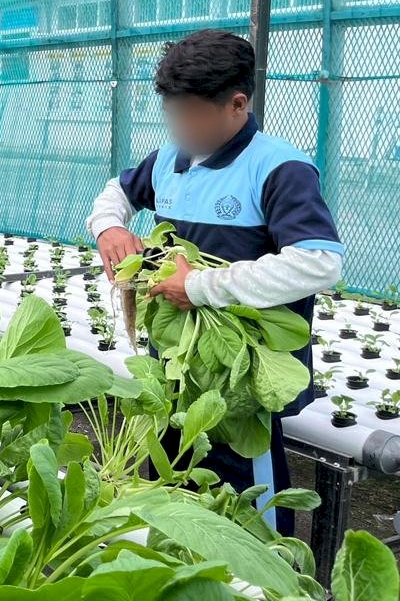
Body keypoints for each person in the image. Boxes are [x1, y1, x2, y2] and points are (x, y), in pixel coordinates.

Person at [85, 29, 343, 535]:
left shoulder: (278, 167)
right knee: (168, 487)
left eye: (191, 114)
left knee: (248, 504)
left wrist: (202, 286)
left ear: (237, 104)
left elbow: (318, 262)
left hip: (241, 376)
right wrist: (110, 226)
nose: (179, 126)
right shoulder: (168, 160)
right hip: (176, 365)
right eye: (172, 113)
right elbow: (116, 190)